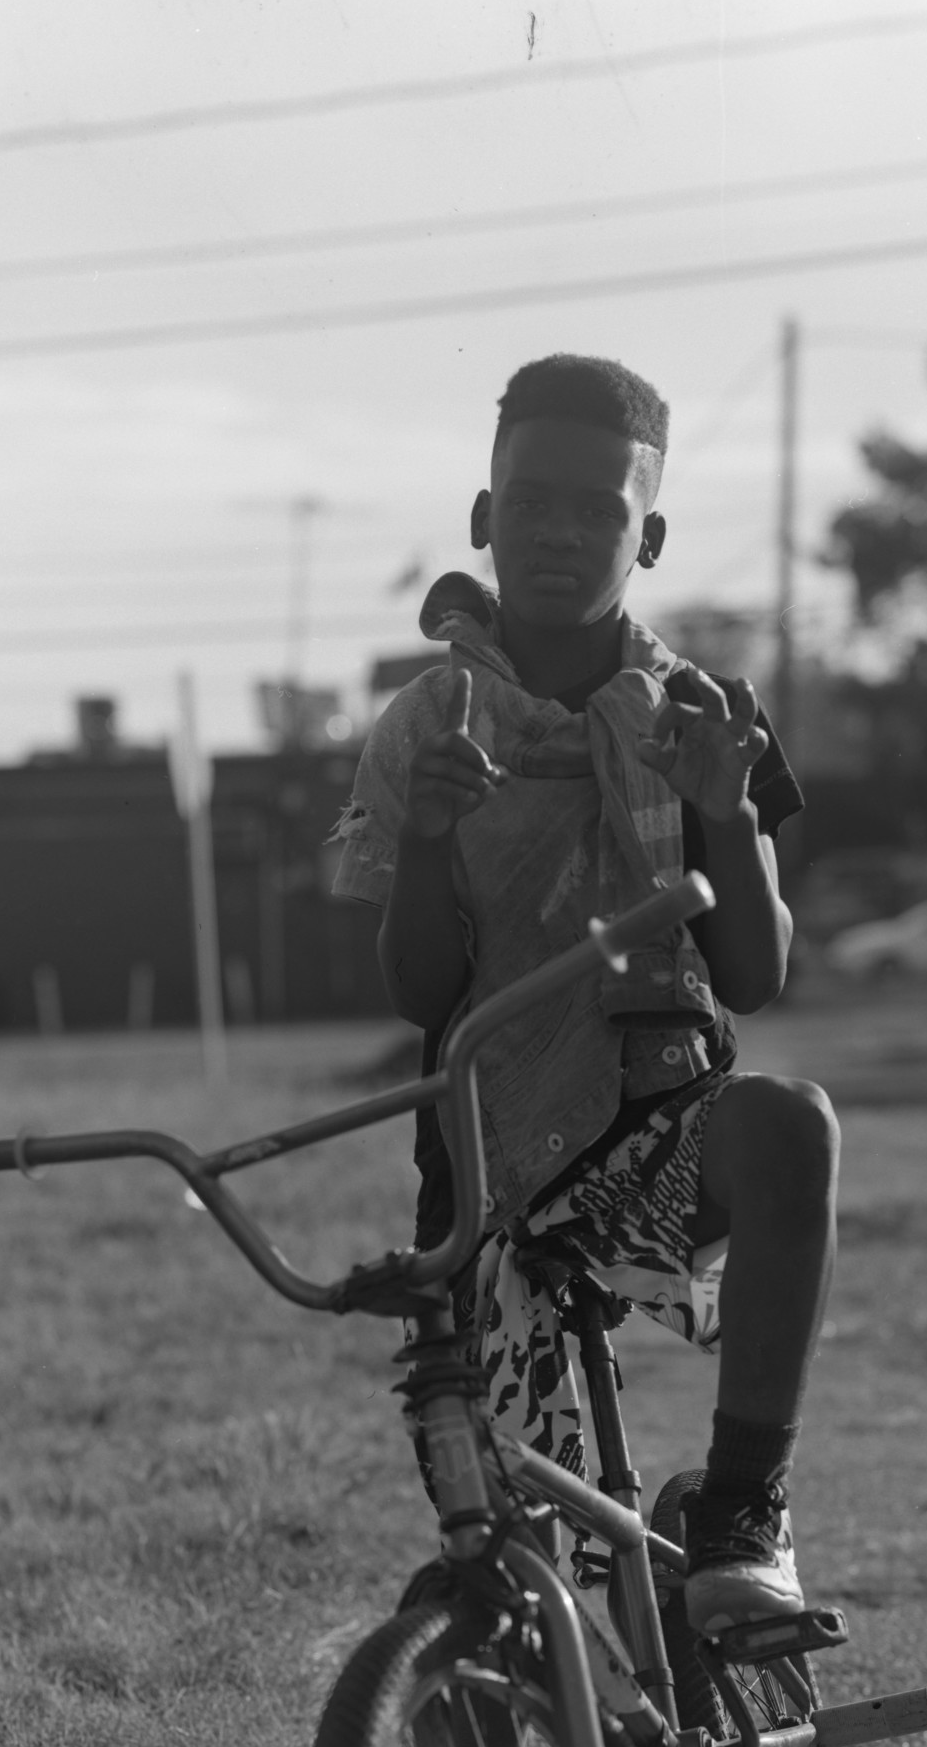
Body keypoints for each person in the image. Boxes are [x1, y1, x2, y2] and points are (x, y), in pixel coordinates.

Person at [333, 352, 839, 1634]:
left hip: (652, 1135)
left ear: (648, 536)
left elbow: (754, 976)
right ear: (482, 516)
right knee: (509, 1584)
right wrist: (430, 841)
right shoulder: (425, 725)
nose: (558, 532)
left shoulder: (706, 719)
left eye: (597, 510)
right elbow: (420, 991)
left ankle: (742, 1511)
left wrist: (725, 815)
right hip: (485, 1166)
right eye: (530, 502)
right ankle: (506, 1742)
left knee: (791, 1125)